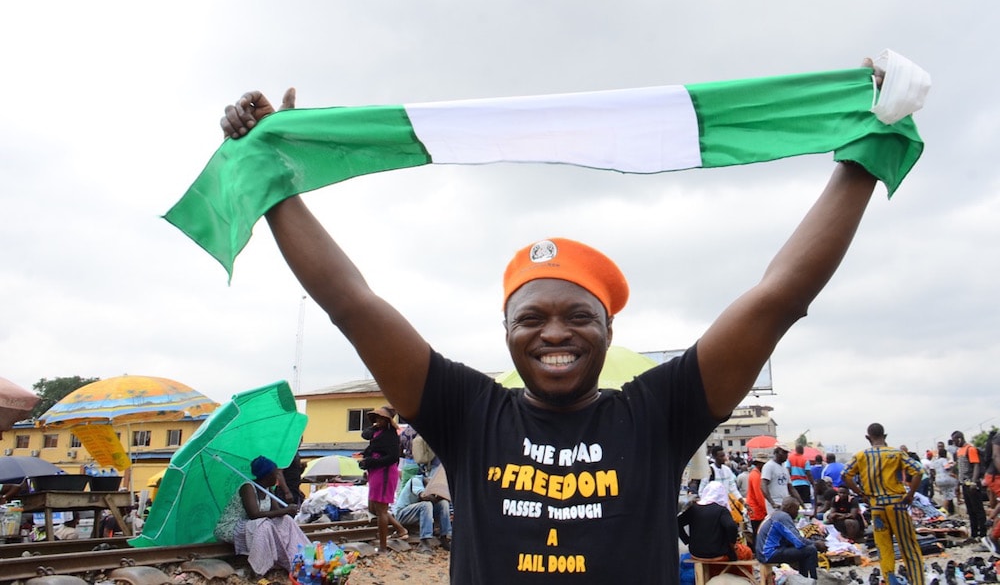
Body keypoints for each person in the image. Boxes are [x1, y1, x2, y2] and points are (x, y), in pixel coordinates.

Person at [218, 59, 893, 582]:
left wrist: (865, 153)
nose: (554, 332)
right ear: (506, 331)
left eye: (578, 316)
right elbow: (351, 303)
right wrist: (275, 182)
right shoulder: (467, 412)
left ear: (608, 331)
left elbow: (777, 298)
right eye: (530, 317)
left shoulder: (659, 412)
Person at [844, 423, 925, 585]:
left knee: (884, 548)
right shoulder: (896, 453)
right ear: (885, 436)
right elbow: (918, 471)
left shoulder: (861, 456)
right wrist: (910, 494)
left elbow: (845, 475)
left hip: (877, 507)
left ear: (868, 438)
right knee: (908, 546)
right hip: (897, 505)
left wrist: (861, 493)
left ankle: (890, 580)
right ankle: (917, 581)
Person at [214, 455, 308, 576]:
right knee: (264, 525)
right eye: (276, 473)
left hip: (252, 526)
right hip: (232, 527)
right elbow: (254, 514)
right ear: (267, 475)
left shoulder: (268, 489)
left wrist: (288, 510)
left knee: (286, 520)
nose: (278, 477)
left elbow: (277, 513)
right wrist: (285, 510)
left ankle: (299, 556)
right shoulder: (247, 487)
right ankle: (260, 568)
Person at [360, 406, 409, 552]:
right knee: (374, 507)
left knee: (381, 509)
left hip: (385, 472)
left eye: (382, 418)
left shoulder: (391, 435)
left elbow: (393, 457)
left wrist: (372, 462)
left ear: (387, 420)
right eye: (377, 418)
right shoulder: (377, 432)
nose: (378, 421)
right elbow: (367, 437)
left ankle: (382, 547)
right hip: (375, 471)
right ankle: (400, 530)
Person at [678, 481, 751, 563]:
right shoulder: (722, 510)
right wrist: (732, 543)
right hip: (718, 554)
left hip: (696, 553)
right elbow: (731, 526)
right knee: (747, 552)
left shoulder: (694, 509)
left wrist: (687, 540)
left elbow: (677, 523)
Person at [755, 498, 824, 580]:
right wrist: (816, 544)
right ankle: (814, 580)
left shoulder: (776, 514)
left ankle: (803, 579)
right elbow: (798, 541)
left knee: (804, 550)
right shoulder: (783, 517)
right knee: (811, 549)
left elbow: (792, 540)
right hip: (769, 553)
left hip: (763, 552)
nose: (797, 513)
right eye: (797, 510)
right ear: (790, 508)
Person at [393, 467, 453, 553]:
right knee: (426, 504)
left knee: (443, 503)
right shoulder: (416, 480)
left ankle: (445, 536)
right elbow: (424, 496)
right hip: (403, 514)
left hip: (416, 513)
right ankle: (425, 540)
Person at [953, 430, 987, 538]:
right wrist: (958, 484)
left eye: (954, 441)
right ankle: (974, 534)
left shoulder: (970, 449)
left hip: (971, 484)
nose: (954, 443)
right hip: (964, 484)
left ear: (959, 439)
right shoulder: (959, 451)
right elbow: (961, 470)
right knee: (971, 510)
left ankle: (982, 534)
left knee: (978, 510)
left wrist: (973, 482)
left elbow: (976, 465)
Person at [762, 444, 800, 514]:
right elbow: (763, 485)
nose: (786, 455)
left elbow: (791, 488)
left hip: (785, 503)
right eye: (784, 453)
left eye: (787, 453)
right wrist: (772, 503)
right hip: (775, 504)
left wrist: (801, 503)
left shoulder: (784, 468)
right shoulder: (769, 466)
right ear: (777, 452)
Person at [745, 451, 769, 540]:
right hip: (757, 510)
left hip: (755, 509)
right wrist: (767, 510)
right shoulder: (756, 475)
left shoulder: (755, 473)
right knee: (759, 534)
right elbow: (760, 496)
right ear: (759, 464)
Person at [931, 447, 958, 515]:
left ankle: (944, 510)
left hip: (938, 479)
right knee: (951, 492)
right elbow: (947, 468)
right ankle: (944, 510)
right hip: (946, 479)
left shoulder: (935, 462)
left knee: (946, 495)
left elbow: (932, 470)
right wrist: (953, 465)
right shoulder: (944, 460)